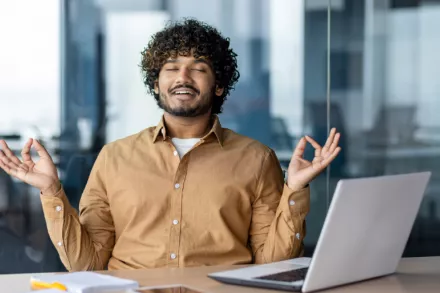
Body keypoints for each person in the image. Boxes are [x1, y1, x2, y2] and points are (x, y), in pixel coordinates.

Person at [0, 19, 341, 271]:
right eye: (172, 68)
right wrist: (50, 191)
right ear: (157, 83)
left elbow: (272, 265)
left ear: (218, 85)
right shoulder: (114, 157)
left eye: (199, 69)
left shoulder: (255, 158)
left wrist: (295, 188)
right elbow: (86, 265)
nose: (183, 77)